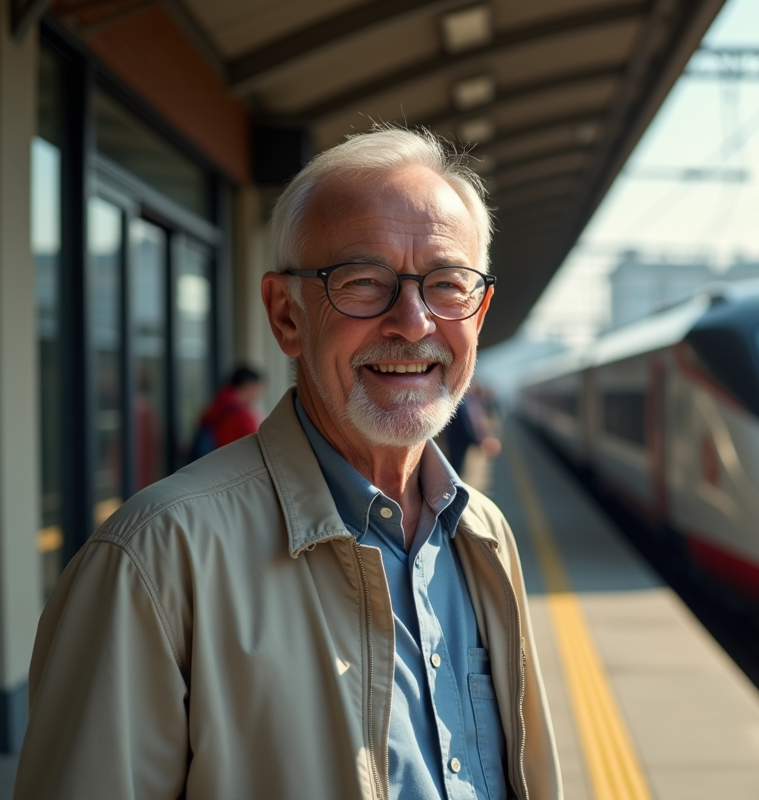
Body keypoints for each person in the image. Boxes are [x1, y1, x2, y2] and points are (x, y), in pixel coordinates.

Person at [15, 127, 562, 800]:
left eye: (448, 285)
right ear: (286, 315)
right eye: (365, 282)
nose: (414, 321)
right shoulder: (155, 561)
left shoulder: (485, 534)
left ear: (479, 314)